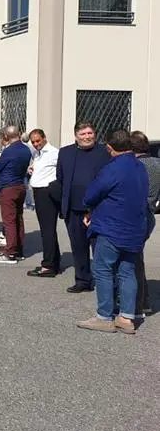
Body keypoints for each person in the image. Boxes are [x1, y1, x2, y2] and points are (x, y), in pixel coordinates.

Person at [76, 130, 150, 334]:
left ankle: (104, 316)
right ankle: (127, 317)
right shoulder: (139, 167)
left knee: (103, 270)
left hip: (112, 227)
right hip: (135, 228)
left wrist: (88, 208)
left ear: (110, 148)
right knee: (127, 271)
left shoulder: (113, 168)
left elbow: (92, 193)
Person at [57, 121, 111, 293]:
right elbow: (61, 178)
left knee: (100, 249)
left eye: (90, 133)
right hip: (73, 209)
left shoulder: (104, 152)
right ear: (76, 136)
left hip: (98, 210)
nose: (87, 137)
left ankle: (105, 284)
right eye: (83, 134)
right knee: (78, 246)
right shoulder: (65, 152)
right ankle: (82, 280)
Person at [0, 126, 30, 264]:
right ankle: (18, 248)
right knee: (18, 218)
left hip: (9, 187)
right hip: (20, 185)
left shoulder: (9, 151)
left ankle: (10, 252)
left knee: (9, 220)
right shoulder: (25, 149)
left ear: (6, 136)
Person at [131, 131, 159, 321]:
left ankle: (138, 303)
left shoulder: (136, 166)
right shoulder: (157, 163)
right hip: (150, 213)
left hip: (136, 215)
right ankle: (144, 301)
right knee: (136, 259)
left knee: (132, 262)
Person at [27, 129, 61, 278]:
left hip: (46, 192)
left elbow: (61, 171)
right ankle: (54, 261)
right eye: (33, 142)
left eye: (38, 141)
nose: (36, 144)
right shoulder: (37, 153)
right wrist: (31, 170)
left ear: (44, 138)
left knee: (47, 230)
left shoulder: (54, 153)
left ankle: (48, 265)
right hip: (38, 192)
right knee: (47, 229)